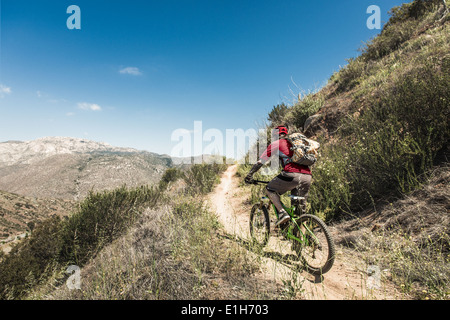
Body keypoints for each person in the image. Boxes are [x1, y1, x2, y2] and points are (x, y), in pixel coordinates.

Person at [245, 125, 312, 227]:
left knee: (270, 189)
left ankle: (281, 213)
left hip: (291, 175)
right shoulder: (296, 144)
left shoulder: (276, 143)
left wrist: (249, 175)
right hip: (307, 176)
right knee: (299, 213)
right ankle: (305, 238)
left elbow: (260, 162)